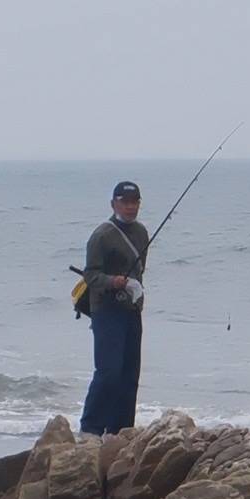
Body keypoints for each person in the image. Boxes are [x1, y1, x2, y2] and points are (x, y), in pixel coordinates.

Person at [78, 179, 149, 435]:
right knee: (109, 372)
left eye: (134, 202)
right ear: (113, 203)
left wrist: (135, 293)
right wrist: (114, 282)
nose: (130, 207)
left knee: (130, 374)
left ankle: (121, 431)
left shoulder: (141, 232)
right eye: (125, 202)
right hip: (106, 310)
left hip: (131, 310)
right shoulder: (101, 236)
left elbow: (141, 271)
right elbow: (91, 275)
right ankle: (90, 429)